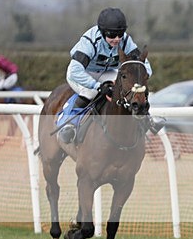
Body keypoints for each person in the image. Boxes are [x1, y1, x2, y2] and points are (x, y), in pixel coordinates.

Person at [58, 7, 164, 144]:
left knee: (127, 89)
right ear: (102, 32)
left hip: (106, 72)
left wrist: (140, 78)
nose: (117, 39)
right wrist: (97, 86)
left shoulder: (125, 40)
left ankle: (147, 118)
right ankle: (69, 124)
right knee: (90, 92)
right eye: (112, 35)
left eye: (120, 35)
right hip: (81, 73)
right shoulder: (90, 41)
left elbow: (144, 65)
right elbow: (75, 70)